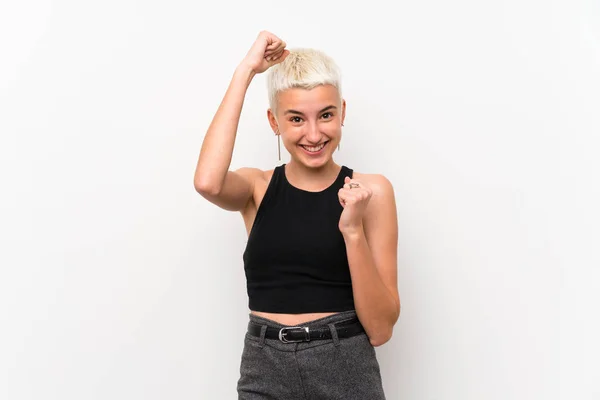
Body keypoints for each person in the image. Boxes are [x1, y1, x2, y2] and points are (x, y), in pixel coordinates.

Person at [193, 30, 400, 399]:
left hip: (344, 365)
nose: (314, 133)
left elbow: (381, 329)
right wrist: (246, 71)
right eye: (296, 119)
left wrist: (352, 232)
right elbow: (208, 183)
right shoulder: (256, 188)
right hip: (263, 365)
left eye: (325, 115)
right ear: (274, 122)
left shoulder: (372, 192)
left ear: (342, 113)